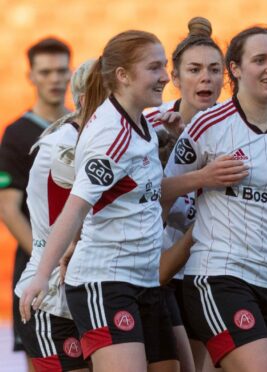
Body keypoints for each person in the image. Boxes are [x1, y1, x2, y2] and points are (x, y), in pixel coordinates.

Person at [19, 30, 181, 372]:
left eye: (164, 66)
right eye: (154, 68)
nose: (166, 76)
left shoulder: (140, 124)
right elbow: (76, 207)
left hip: (144, 279)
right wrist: (40, 276)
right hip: (105, 281)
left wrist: (170, 133)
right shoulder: (109, 134)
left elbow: (131, 198)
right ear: (122, 76)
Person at [164, 26, 267, 372]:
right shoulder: (207, 123)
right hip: (218, 275)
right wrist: (203, 178)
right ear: (236, 69)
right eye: (260, 60)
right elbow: (162, 189)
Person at [147, 16, 227, 372]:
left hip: (210, 269)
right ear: (174, 78)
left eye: (214, 69)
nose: (205, 78)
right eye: (194, 70)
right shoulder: (149, 123)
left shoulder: (237, 127)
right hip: (158, 266)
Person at [12, 60, 93, 372]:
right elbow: (75, 226)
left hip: (83, 296)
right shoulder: (65, 146)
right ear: (88, 100)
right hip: (54, 301)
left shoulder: (92, 139)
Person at [0, 36, 71, 368]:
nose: (54, 79)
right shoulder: (17, 134)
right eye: (45, 72)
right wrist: (47, 259)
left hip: (81, 262)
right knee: (42, 358)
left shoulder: (84, 126)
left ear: (72, 73)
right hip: (38, 262)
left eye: (60, 71)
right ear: (31, 76)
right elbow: (8, 208)